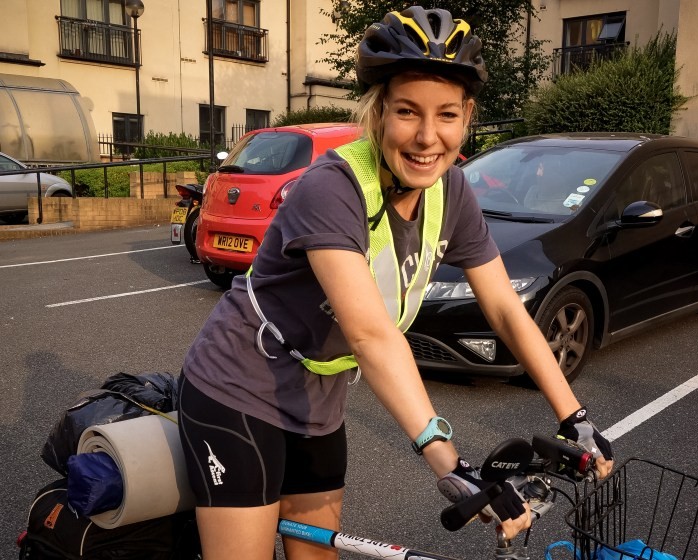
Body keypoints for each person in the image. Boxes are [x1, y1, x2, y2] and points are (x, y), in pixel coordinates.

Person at [177, 6, 614, 559]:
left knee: (316, 555)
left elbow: (506, 309)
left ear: (467, 117)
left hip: (318, 399)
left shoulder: (452, 192)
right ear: (379, 111)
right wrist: (449, 462)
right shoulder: (331, 188)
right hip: (237, 387)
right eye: (407, 111)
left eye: (447, 115)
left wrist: (575, 418)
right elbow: (371, 335)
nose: (427, 137)